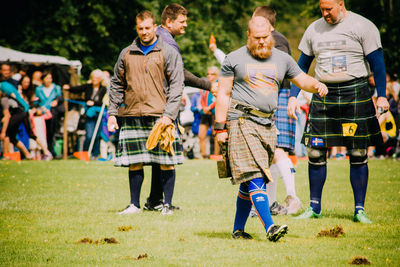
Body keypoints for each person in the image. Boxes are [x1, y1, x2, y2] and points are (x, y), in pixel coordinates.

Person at [215, 16, 328, 241]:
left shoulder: (282, 59)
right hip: (241, 121)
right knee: (256, 174)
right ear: (248, 36)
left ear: (271, 34)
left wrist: (317, 85)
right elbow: (223, 93)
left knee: (249, 182)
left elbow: (302, 79)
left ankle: (238, 230)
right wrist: (220, 128)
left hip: (267, 124)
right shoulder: (233, 58)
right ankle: (270, 227)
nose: (261, 41)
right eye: (256, 37)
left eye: (265, 37)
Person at [287, 0, 390, 224]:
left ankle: (359, 210)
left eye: (329, 9)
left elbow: (378, 63)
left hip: (355, 91)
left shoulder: (363, 26)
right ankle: (314, 208)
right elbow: (301, 66)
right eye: (321, 9)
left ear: (341, 4)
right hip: (324, 93)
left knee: (358, 152)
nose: (324, 14)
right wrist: (293, 96)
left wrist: (381, 94)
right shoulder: (313, 29)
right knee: (314, 152)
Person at [210, 6, 302, 215]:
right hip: (265, 103)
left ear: (267, 25)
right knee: (264, 161)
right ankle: (266, 205)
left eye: (256, 23)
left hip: (274, 100)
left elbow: (282, 73)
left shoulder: (275, 42)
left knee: (275, 153)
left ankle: (290, 196)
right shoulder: (256, 45)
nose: (255, 33)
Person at [107, 10, 184, 215]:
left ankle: (166, 205)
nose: (144, 32)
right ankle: (134, 205)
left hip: (161, 115)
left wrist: (169, 114)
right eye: (140, 28)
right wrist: (112, 113)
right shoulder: (126, 53)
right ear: (136, 28)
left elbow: (177, 85)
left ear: (154, 27)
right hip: (132, 114)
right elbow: (116, 84)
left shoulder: (168, 51)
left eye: (147, 28)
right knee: (134, 161)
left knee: (166, 162)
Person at [144, 3, 217, 211]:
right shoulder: (166, 41)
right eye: (182, 22)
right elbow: (180, 74)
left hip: (152, 102)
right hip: (163, 104)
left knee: (159, 154)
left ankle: (154, 201)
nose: (186, 26)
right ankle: (162, 202)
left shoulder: (156, 35)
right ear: (169, 21)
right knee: (166, 153)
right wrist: (208, 84)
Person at [63, 69, 107, 158]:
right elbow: (78, 89)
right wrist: (69, 88)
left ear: (100, 79)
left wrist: (93, 103)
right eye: (93, 77)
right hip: (89, 114)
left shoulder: (103, 89)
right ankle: (85, 153)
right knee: (89, 135)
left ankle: (95, 154)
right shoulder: (88, 86)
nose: (94, 79)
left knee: (97, 135)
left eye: (96, 78)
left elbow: (103, 102)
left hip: (99, 114)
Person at [35, 72, 64, 156]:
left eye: (50, 78)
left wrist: (56, 101)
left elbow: (60, 98)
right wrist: (39, 108)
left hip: (52, 113)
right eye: (47, 78)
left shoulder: (56, 88)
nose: (49, 80)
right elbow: (36, 101)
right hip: (42, 113)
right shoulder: (39, 89)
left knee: (51, 132)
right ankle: (44, 150)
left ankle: (51, 150)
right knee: (42, 132)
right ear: (43, 79)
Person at [198, 66, 219, 158]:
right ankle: (204, 155)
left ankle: (216, 155)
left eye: (212, 74)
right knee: (201, 134)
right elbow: (202, 97)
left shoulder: (219, 84)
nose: (209, 76)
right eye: (208, 74)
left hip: (215, 112)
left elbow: (219, 98)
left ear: (217, 75)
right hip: (205, 113)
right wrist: (204, 108)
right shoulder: (205, 84)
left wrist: (209, 107)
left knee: (216, 135)